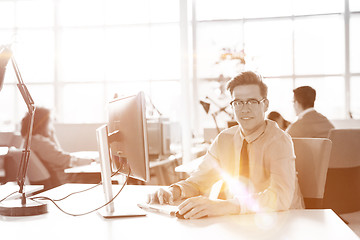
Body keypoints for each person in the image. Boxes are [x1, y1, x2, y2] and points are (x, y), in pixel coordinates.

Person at [148, 71, 304, 219]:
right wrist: (174, 191)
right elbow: (199, 180)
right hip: (240, 224)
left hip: (283, 222)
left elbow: (281, 197)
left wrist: (225, 206)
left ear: (265, 105)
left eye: (252, 101)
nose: (245, 109)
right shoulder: (224, 139)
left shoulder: (279, 141)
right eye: (238, 102)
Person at [20, 107, 94, 189]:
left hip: (57, 180)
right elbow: (67, 161)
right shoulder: (42, 144)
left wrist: (52, 134)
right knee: (98, 177)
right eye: (50, 122)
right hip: (63, 182)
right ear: (42, 124)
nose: (52, 126)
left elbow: (58, 155)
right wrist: (93, 160)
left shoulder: (29, 141)